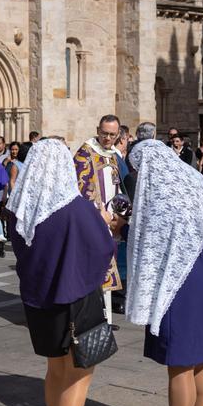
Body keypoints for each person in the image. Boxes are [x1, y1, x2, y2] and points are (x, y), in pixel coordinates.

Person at [7, 139, 115, 406]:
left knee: (55, 369)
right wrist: (104, 223)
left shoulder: (19, 206)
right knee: (80, 372)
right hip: (75, 295)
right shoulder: (74, 207)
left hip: (38, 298)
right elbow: (103, 248)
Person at [123, 139, 203, 406]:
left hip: (183, 277)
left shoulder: (160, 193)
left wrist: (121, 227)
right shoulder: (193, 179)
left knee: (180, 361)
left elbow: (153, 242)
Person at [74, 115, 124, 328]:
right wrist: (99, 213)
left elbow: (116, 185)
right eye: (104, 133)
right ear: (98, 130)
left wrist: (118, 214)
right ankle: (93, 318)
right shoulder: (85, 153)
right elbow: (80, 188)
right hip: (93, 220)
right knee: (95, 270)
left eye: (112, 135)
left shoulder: (113, 154)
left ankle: (107, 318)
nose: (107, 138)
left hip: (110, 219)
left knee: (107, 270)